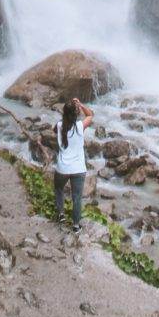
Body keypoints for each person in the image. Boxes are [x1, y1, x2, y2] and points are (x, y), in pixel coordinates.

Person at [53, 96, 93, 233]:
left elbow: (57, 129)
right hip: (78, 169)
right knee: (77, 198)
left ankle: (61, 215)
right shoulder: (81, 126)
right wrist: (80, 104)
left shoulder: (59, 125)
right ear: (76, 114)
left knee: (59, 189)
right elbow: (90, 115)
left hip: (63, 168)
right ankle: (76, 226)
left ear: (64, 113)